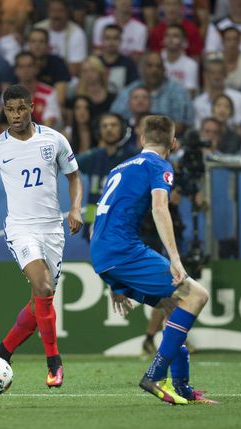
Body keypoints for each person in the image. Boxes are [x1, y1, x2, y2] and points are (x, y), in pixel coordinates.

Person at [90, 115, 216, 405]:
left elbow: (101, 216)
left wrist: (114, 278)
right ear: (173, 143)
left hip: (104, 252)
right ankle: (155, 375)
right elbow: (161, 208)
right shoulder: (160, 165)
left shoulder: (119, 167)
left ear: (141, 140)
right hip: (123, 250)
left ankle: (183, 388)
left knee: (173, 307)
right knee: (197, 295)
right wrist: (175, 259)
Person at [0, 84, 83, 388]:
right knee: (43, 286)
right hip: (20, 228)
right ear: (4, 110)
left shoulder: (54, 140)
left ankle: (4, 349)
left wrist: (75, 208)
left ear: (31, 107)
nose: (16, 115)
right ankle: (54, 363)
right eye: (10, 109)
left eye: (21, 108)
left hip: (52, 230)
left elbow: (74, 177)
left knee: (40, 301)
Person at [76, 113, 137, 240]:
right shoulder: (93, 156)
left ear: (123, 129)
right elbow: (67, 163)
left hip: (124, 222)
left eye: (113, 125)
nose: (109, 129)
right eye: (104, 126)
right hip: (96, 223)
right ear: (99, 131)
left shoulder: (134, 157)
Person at [97, 24, 139, 94]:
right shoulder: (95, 62)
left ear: (120, 40)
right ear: (102, 40)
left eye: (115, 38)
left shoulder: (128, 63)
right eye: (107, 38)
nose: (111, 42)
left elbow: (133, 89)